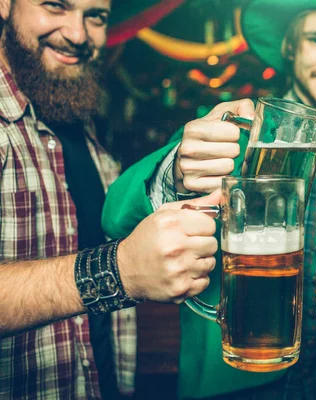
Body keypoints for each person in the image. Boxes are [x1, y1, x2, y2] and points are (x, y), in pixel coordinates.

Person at [102, 1, 316, 399]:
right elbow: (115, 216)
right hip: (235, 381)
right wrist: (175, 170)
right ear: (291, 48)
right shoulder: (229, 134)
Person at [0, 0, 231, 398]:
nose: (77, 34)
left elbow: (118, 217)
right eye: (55, 6)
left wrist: (179, 168)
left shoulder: (76, 117)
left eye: (96, 16)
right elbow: (122, 263)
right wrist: (117, 271)